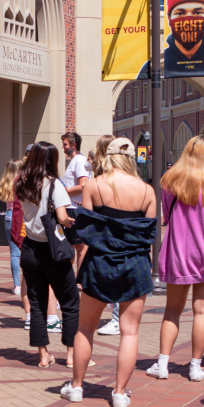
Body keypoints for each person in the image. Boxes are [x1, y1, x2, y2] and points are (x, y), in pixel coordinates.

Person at [62, 138, 157, 407]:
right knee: (129, 332)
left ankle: (77, 387)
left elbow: (84, 230)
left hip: (99, 262)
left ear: (110, 156)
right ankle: (119, 392)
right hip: (135, 264)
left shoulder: (94, 185)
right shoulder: (147, 191)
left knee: (85, 328)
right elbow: (149, 235)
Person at [147, 136, 204, 382]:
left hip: (176, 253)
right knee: (202, 311)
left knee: (172, 311)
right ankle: (195, 367)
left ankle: (162, 363)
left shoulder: (169, 183)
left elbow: (166, 216)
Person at [13, 142, 79, 367]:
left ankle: (43, 354)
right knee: (70, 302)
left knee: (37, 304)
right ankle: (71, 355)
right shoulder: (54, 185)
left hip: (30, 249)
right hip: (53, 251)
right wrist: (69, 221)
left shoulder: (22, 183)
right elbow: (61, 216)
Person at [84, 135, 123, 338]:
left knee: (112, 273)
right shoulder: (106, 173)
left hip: (106, 232)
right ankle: (116, 317)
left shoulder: (105, 177)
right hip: (114, 232)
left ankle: (117, 319)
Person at [138, 0, 204, 79]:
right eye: (180, 13)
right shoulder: (150, 65)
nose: (188, 19)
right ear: (169, 18)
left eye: (197, 12)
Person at [61, 132, 91, 271]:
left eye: (65, 144)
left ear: (74, 145)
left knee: (80, 246)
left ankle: (79, 281)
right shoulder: (75, 161)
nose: (63, 147)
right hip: (70, 207)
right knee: (71, 245)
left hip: (74, 207)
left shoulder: (79, 161)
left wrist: (64, 191)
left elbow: (83, 185)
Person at [0, 159, 25, 305]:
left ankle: (17, 285)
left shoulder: (6, 181)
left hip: (8, 215)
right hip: (20, 216)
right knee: (24, 250)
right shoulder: (20, 182)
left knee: (14, 253)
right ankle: (25, 283)